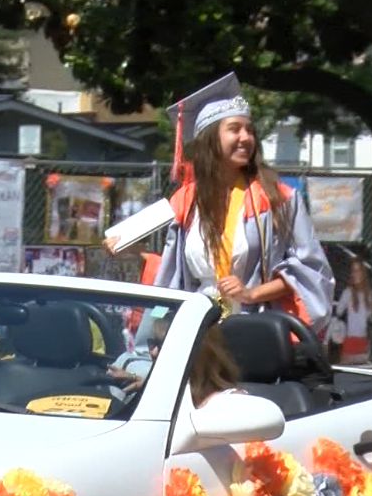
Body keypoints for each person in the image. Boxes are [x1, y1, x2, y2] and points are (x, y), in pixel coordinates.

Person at [102, 73, 334, 335]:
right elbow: (170, 275)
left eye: (249, 130)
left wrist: (252, 293)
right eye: (234, 129)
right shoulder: (186, 201)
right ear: (210, 139)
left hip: (254, 329)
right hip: (198, 328)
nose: (245, 137)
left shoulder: (277, 198)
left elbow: (311, 270)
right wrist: (131, 252)